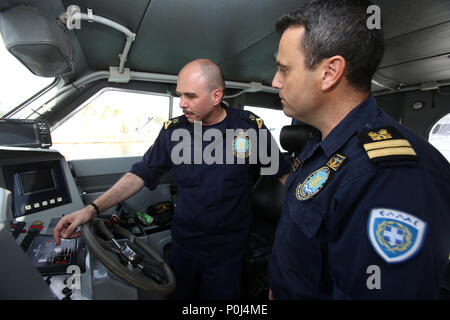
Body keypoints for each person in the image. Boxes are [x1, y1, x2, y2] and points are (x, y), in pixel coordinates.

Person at [53, 58, 290, 299]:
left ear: (216, 96)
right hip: (184, 244)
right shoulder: (174, 131)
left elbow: (283, 175)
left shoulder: (249, 128)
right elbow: (141, 173)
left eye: (190, 96)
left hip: (228, 250)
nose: (181, 104)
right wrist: (92, 209)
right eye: (179, 95)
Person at [268, 0, 450, 299]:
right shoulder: (320, 144)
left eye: (284, 70)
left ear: (330, 73)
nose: (275, 82)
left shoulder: (392, 176)